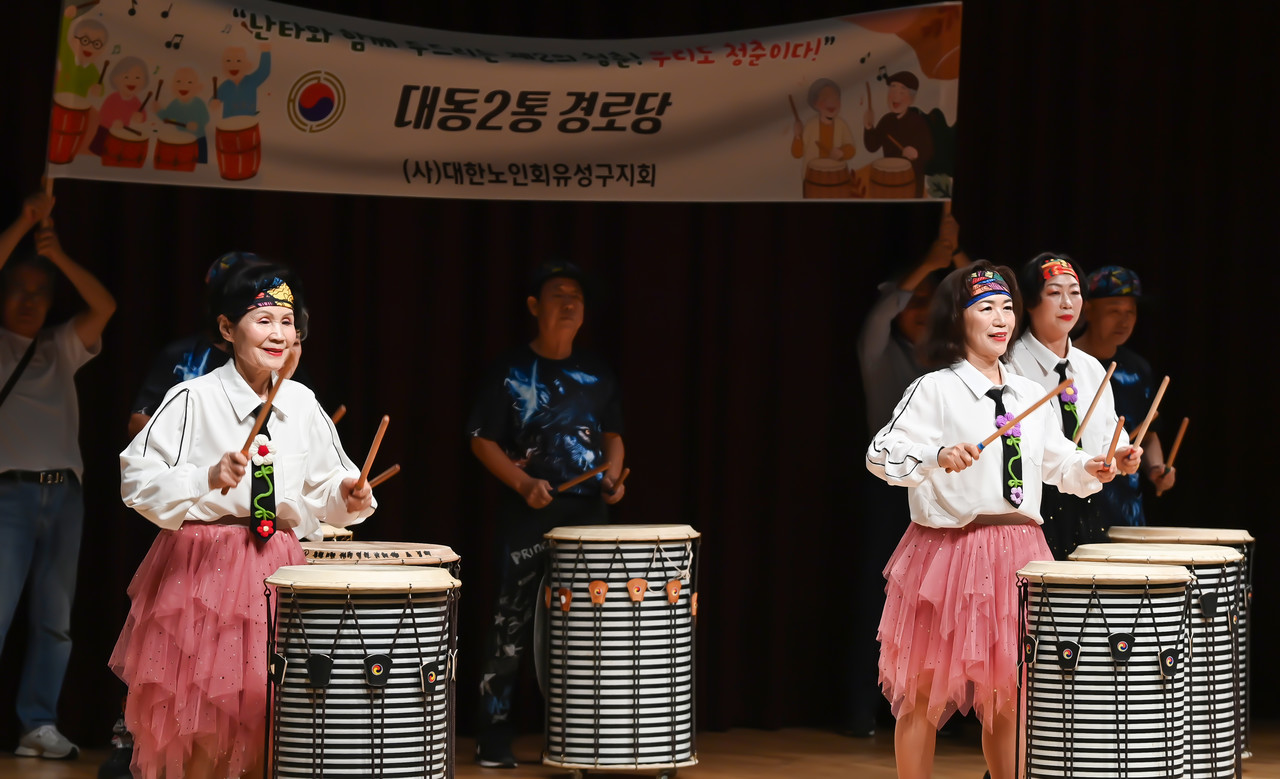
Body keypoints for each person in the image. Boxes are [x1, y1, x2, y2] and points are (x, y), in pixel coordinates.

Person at [866, 262, 1136, 779]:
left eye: (1007, 307)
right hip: (949, 550)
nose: (1001, 318)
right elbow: (881, 453)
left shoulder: (1026, 393)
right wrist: (935, 455)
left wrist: (1093, 466)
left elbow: (1057, 460)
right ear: (957, 319)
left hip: (1018, 549)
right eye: (985, 307)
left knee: (1008, 695)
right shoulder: (935, 389)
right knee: (921, 692)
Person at [110, 260, 374, 779]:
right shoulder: (192, 397)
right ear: (227, 330)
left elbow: (326, 491)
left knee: (272, 718)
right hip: (205, 569)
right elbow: (136, 483)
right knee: (205, 720)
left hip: (279, 566)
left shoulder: (301, 402)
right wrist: (206, 476)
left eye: (287, 321)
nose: (279, 334)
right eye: (264, 320)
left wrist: (349, 492)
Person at [467, 261, 625, 769]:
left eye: (576, 295)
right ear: (535, 307)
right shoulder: (510, 369)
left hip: (589, 518)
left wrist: (613, 479)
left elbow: (613, 438)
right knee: (510, 620)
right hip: (529, 511)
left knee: (587, 628)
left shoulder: (599, 372)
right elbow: (481, 440)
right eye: (558, 294)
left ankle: (579, 737)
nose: (570, 303)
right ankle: (493, 735)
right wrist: (523, 483)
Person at [1, 191, 116, 759]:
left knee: (55, 620)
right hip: (8, 495)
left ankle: (37, 724)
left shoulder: (59, 346)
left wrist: (60, 256)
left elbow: (105, 306)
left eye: (41, 292)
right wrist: (24, 223)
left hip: (64, 496)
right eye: (18, 289)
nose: (30, 300)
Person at [848, 207, 967, 736]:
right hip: (890, 490)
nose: (919, 310)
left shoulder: (958, 365)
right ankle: (862, 711)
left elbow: (999, 311)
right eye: (912, 300)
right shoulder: (880, 352)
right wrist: (930, 263)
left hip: (949, 491)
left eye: (931, 302)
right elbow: (877, 315)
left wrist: (956, 261)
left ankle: (950, 716)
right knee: (880, 600)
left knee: (947, 603)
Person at [1007, 254, 1139, 559]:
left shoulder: (1091, 368)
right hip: (1031, 512)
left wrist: (1119, 456)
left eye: (1075, 292)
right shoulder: (1009, 365)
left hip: (1089, 510)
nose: (1067, 303)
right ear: (1029, 301)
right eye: (1054, 292)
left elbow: (1109, 434)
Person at [1073, 265, 1176, 526]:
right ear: (1088, 310)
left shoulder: (1137, 368)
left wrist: (1155, 469)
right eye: (1114, 310)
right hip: (1075, 498)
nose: (1125, 320)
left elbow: (1148, 432)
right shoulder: (1066, 363)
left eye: (1130, 311)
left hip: (1125, 506)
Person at [863, 71, 934, 197]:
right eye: (892, 90)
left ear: (912, 99)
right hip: (887, 180)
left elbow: (928, 152)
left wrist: (916, 154)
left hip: (911, 183)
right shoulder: (886, 120)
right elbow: (872, 146)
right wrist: (868, 128)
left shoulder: (918, 122)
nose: (896, 97)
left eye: (902, 92)